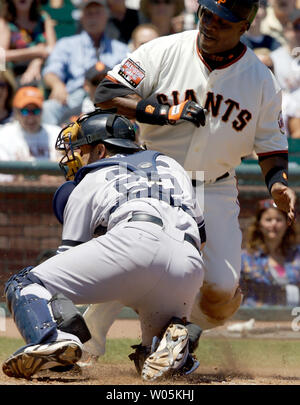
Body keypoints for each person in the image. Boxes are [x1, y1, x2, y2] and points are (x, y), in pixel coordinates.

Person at [85, 0, 296, 364]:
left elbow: (272, 147)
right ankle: (84, 347)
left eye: (223, 21)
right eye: (206, 14)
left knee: (220, 296)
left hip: (213, 186)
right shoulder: (164, 49)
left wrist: (276, 182)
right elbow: (104, 93)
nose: (210, 25)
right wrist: (161, 112)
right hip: (152, 174)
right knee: (133, 259)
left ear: (244, 26)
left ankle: (175, 330)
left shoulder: (261, 81)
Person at [2, 109, 205, 381]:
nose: (76, 156)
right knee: (150, 361)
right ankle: (177, 339)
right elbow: (202, 235)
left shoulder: (92, 175)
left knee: (25, 283)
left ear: (100, 149)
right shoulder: (173, 166)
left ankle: (53, 339)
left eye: (82, 148)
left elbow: (69, 263)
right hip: (189, 261)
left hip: (136, 240)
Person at [41, 0, 128, 126]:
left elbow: (130, 80)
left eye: (97, 13)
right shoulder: (66, 44)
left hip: (110, 100)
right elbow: (50, 71)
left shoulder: (121, 49)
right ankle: (54, 144)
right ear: (81, 17)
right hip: (74, 98)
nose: (93, 18)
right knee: (49, 108)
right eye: (88, 13)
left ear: (106, 15)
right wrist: (57, 84)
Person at [241, 199, 300, 307]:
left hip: (293, 319)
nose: (274, 224)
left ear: (287, 224)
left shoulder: (297, 255)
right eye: (268, 220)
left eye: (279, 220)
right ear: (259, 224)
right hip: (256, 319)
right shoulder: (245, 258)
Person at [0, 86, 61, 182]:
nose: (30, 117)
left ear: (42, 111)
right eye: (25, 111)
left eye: (35, 111)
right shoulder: (4, 136)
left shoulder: (57, 134)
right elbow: (5, 179)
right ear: (16, 111)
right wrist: (43, 177)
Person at [0, 0, 56, 85]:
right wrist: (34, 52)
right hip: (13, 74)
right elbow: (2, 55)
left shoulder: (43, 18)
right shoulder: (5, 22)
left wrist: (37, 61)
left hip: (41, 71)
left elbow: (52, 49)